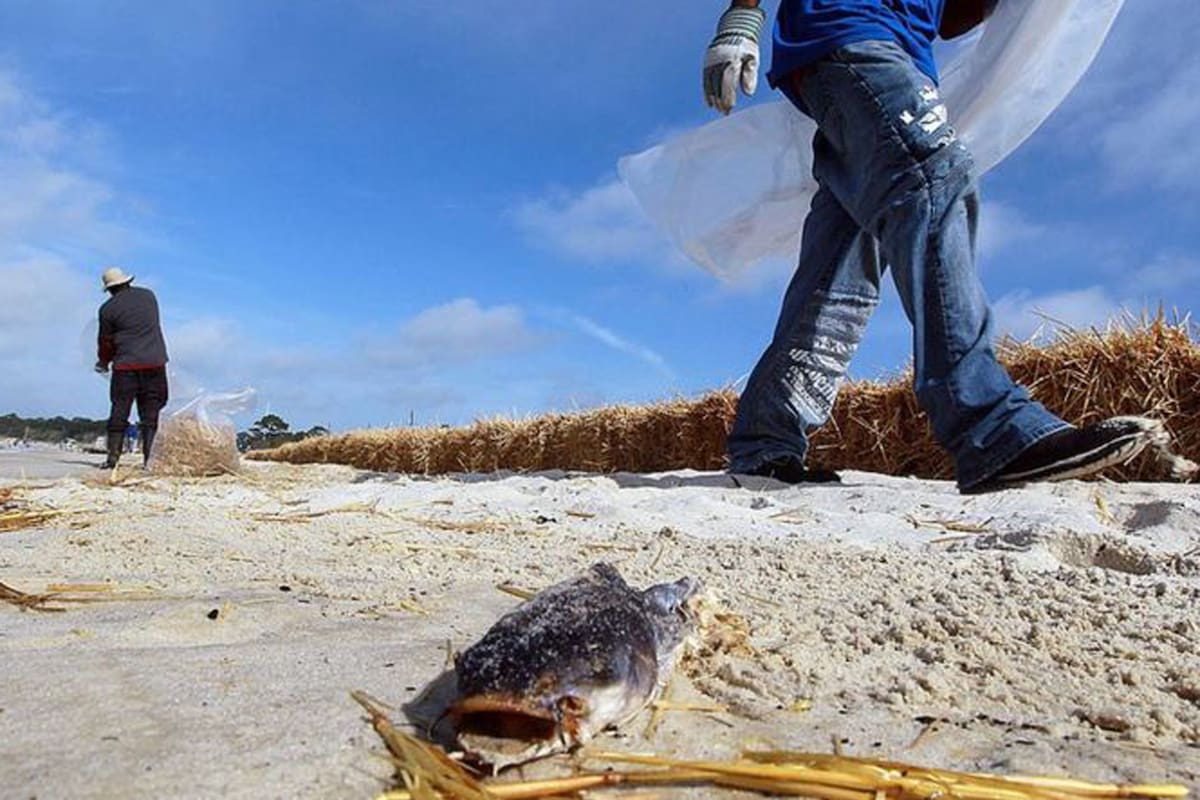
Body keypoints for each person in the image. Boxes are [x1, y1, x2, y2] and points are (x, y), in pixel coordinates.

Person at [702, 0, 1152, 493]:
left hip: (889, 56)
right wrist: (741, 18)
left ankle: (766, 442)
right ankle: (990, 424)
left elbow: (948, 18)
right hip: (851, 34)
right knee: (934, 176)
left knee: (842, 267)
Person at [94, 267, 170, 469]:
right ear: (127, 282)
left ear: (110, 289)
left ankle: (113, 459)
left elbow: (106, 342)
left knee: (120, 410)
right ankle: (150, 460)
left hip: (125, 367)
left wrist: (103, 362)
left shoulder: (107, 309)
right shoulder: (148, 296)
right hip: (155, 363)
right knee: (151, 414)